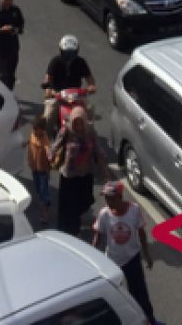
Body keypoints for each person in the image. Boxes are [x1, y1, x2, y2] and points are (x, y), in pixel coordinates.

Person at [93, 181, 157, 324]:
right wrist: (92, 259)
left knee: (140, 294)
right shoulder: (104, 214)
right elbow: (98, 235)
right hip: (112, 262)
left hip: (132, 260)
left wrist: (146, 255)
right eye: (106, 198)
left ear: (120, 197)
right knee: (115, 296)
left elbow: (141, 232)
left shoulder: (134, 210)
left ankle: (149, 320)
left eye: (111, 198)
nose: (108, 202)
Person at [51, 108, 108, 236]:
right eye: (75, 123)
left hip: (85, 174)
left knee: (83, 202)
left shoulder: (90, 131)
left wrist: (106, 174)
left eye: (80, 123)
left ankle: (76, 221)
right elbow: (55, 146)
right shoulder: (66, 131)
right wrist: (49, 157)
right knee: (70, 207)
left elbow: (97, 151)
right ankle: (72, 230)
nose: (78, 126)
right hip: (69, 176)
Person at [43, 35, 96, 125]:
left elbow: (90, 78)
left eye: (72, 53)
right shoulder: (55, 61)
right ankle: (46, 138)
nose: (69, 57)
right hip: (57, 95)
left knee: (89, 109)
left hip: (76, 95)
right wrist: (48, 90)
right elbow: (48, 78)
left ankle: (88, 134)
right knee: (48, 117)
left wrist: (91, 86)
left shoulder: (81, 62)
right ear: (61, 51)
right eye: (66, 53)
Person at [28, 116, 52, 225]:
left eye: (36, 129)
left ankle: (44, 213)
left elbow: (48, 150)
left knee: (43, 189)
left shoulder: (45, 140)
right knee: (38, 187)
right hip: (34, 167)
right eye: (33, 129)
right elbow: (30, 142)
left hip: (43, 169)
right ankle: (45, 200)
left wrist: (50, 156)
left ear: (42, 130)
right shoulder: (33, 135)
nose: (34, 131)